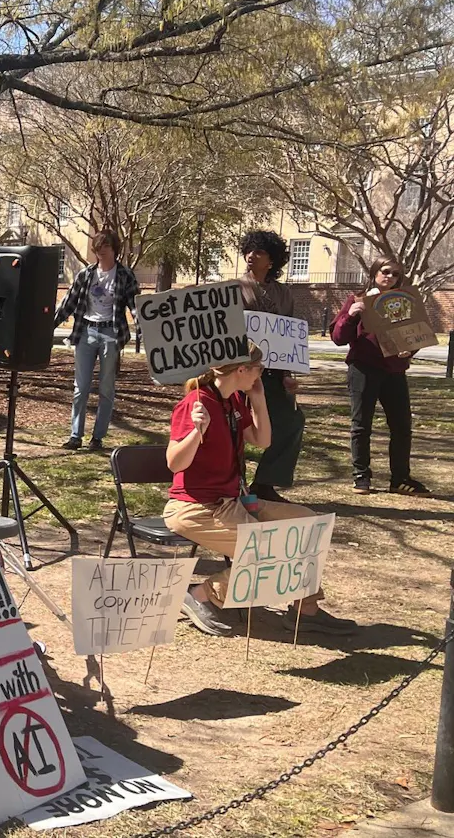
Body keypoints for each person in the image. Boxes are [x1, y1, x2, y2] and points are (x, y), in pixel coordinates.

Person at [162, 343, 357, 637]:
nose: (262, 373)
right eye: (260, 368)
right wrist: (196, 432)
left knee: (307, 524)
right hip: (196, 508)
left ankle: (306, 609)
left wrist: (259, 399)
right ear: (242, 370)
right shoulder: (196, 403)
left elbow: (262, 441)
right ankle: (201, 594)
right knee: (272, 551)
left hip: (233, 501)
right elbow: (175, 463)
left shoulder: (233, 399)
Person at [331, 258, 430, 496]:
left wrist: (410, 349)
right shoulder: (357, 300)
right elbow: (338, 337)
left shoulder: (404, 303)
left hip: (394, 370)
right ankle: (361, 476)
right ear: (375, 273)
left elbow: (416, 334)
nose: (390, 277)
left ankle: (400, 479)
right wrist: (352, 315)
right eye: (385, 272)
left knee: (402, 425)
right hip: (363, 368)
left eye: (395, 274)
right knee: (361, 425)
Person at [53, 229, 139, 452]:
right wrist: (49, 325)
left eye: (105, 247)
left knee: (106, 388)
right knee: (80, 388)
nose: (100, 252)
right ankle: (75, 436)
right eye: (97, 248)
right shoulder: (86, 274)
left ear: (114, 249)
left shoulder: (125, 275)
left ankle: (97, 438)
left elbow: (135, 305)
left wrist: (144, 326)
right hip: (86, 331)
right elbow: (69, 302)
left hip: (111, 333)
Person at [237, 229, 304, 502]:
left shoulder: (284, 294)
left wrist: (287, 375)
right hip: (238, 370)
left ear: (272, 260)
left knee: (291, 421)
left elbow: (287, 336)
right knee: (234, 426)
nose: (252, 255)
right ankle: (233, 485)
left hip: (273, 373)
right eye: (249, 250)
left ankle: (265, 483)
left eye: (260, 251)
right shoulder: (233, 287)